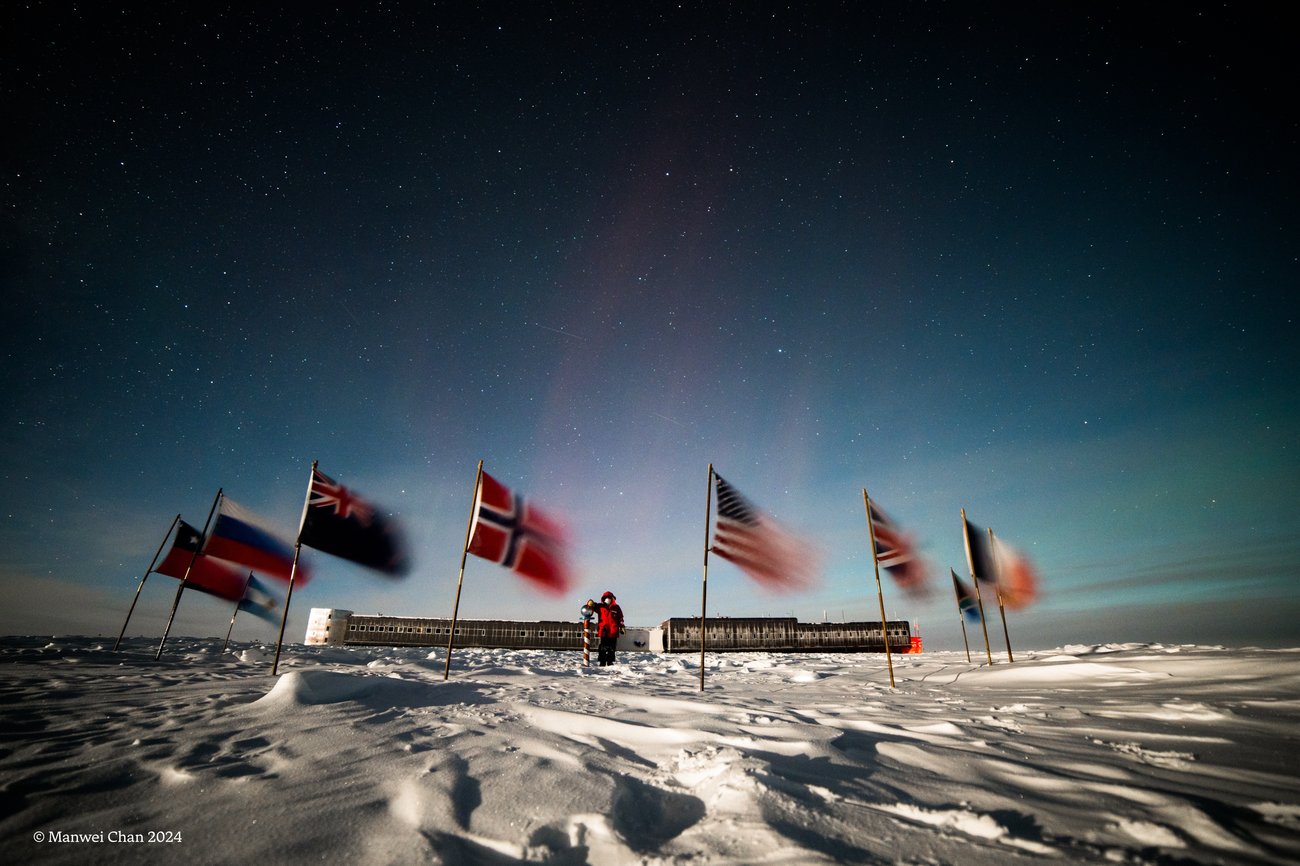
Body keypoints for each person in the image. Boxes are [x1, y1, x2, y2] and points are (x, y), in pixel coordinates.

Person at [586, 591, 624, 666]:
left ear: (612, 599)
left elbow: (620, 618)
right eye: (606, 598)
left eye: (609, 598)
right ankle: (602, 661)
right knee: (603, 647)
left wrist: (622, 626)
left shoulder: (617, 607)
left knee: (612, 648)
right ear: (603, 599)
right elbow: (590, 607)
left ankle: (610, 661)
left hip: (613, 631)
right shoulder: (600, 606)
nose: (608, 599)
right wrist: (590, 603)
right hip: (604, 630)